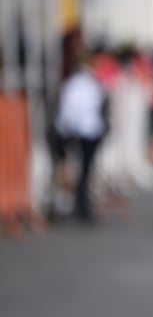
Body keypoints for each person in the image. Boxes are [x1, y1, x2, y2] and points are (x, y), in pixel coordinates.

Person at [54, 48, 109, 223]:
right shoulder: (82, 84)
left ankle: (82, 205)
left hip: (85, 132)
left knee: (84, 171)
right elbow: (73, 112)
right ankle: (80, 206)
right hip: (83, 133)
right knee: (82, 171)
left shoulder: (81, 83)